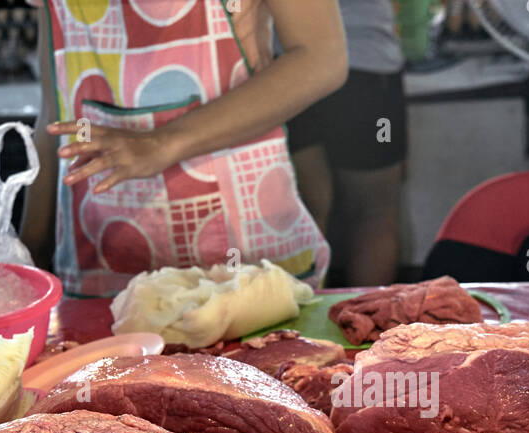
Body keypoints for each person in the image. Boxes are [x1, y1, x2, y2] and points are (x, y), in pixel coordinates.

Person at [21, 0, 348, 298]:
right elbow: (56, 113)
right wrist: (27, 260)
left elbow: (322, 57)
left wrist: (163, 143)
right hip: (98, 271)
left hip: (246, 269)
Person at [287, 0, 406, 287]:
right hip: (364, 66)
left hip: (288, 74)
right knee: (373, 214)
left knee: (304, 213)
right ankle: (371, 327)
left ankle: (295, 327)